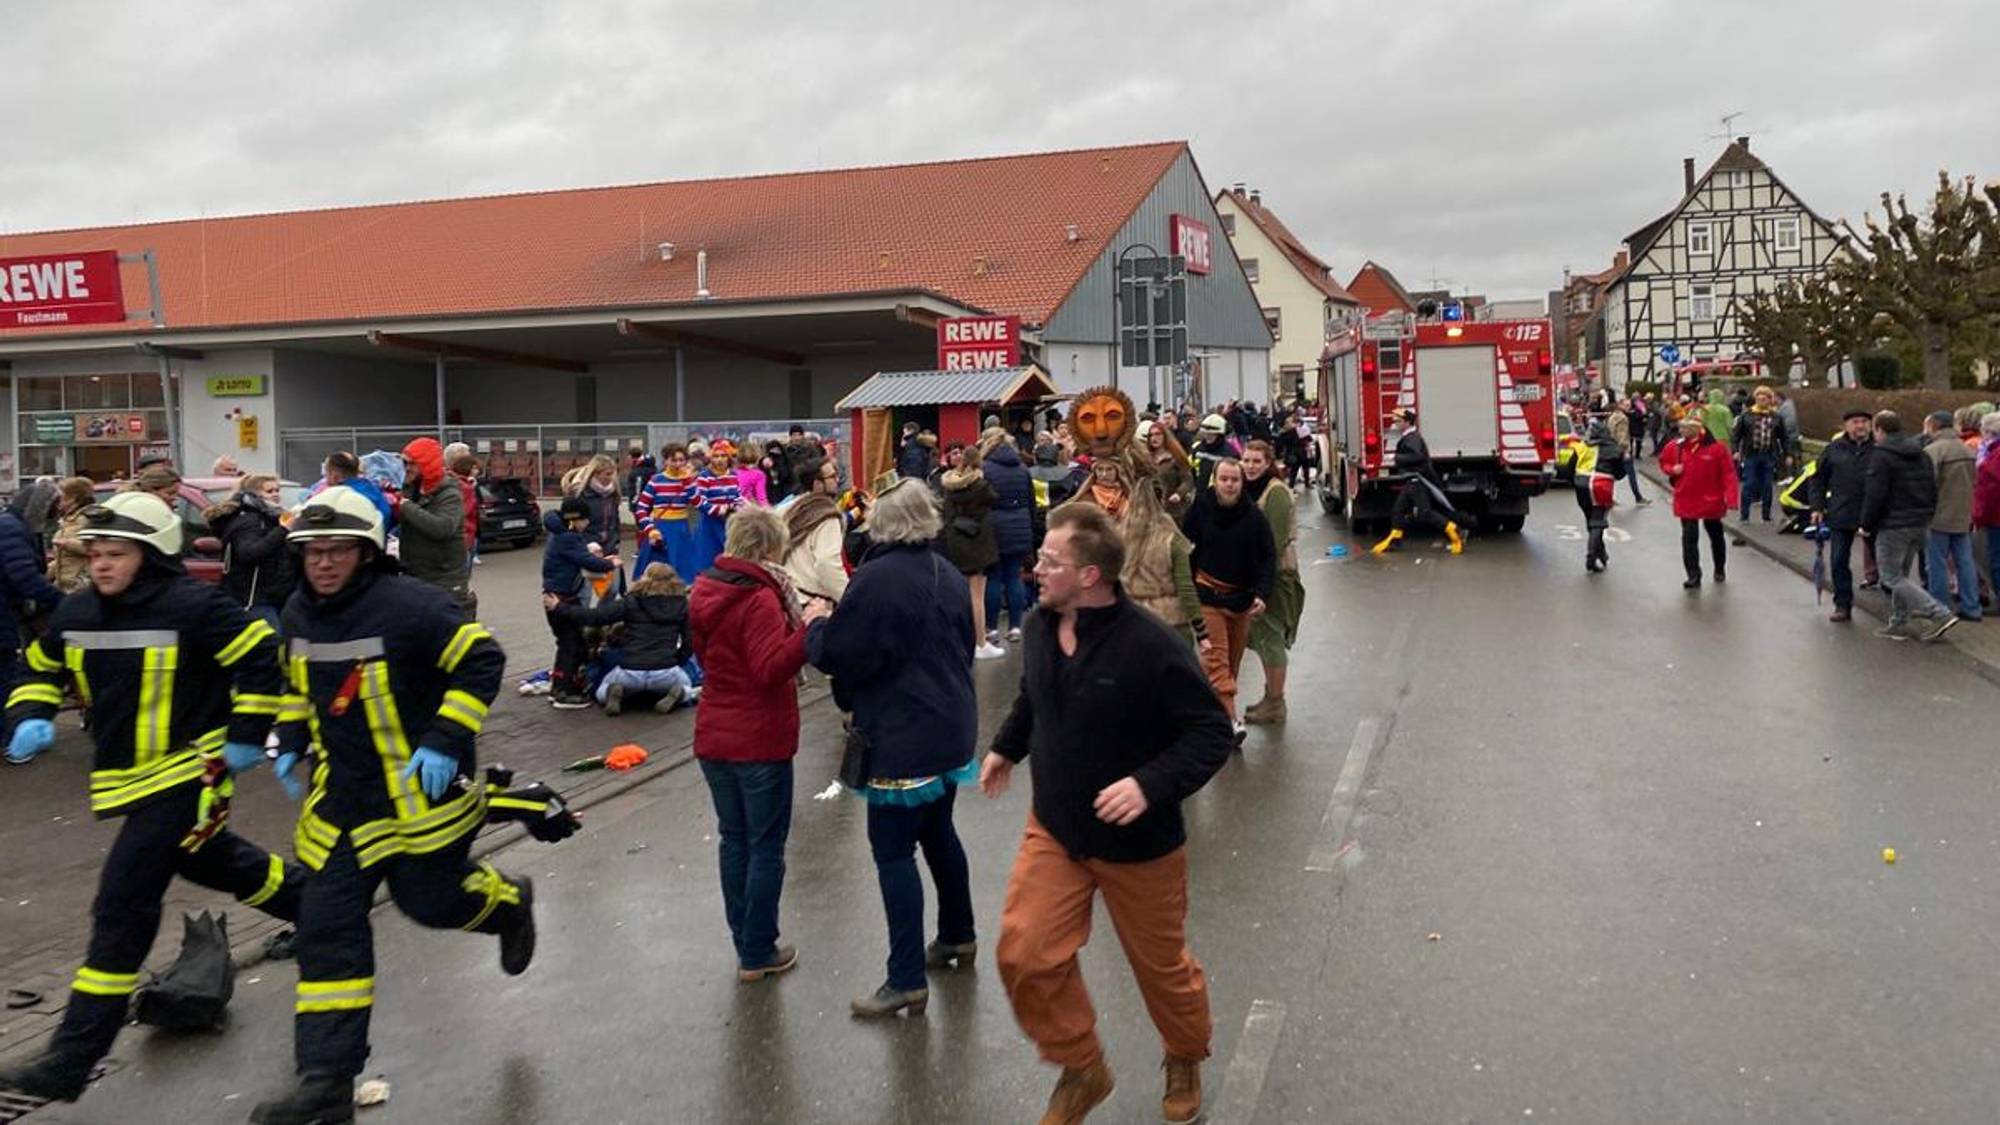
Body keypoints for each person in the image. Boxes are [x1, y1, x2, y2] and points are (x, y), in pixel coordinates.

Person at [0, 491, 302, 1106]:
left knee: (122, 904)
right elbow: (38, 666)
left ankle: (72, 1057)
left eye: (116, 554)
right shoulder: (77, 612)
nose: (102, 565)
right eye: (95, 553)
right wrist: (29, 712)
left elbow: (260, 664)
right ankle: (322, 911)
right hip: (128, 781)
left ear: (151, 555)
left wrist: (246, 737)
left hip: (193, 770)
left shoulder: (195, 606)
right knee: (213, 861)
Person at [248, 486, 530, 1123]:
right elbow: (298, 688)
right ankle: (325, 1083)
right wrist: (290, 740)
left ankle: (509, 905)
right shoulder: (297, 613)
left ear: (366, 552)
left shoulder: (414, 607)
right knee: (326, 934)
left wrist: (444, 739)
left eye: (337, 550)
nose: (323, 563)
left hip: (420, 799)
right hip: (342, 804)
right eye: (312, 551)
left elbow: (482, 662)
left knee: (429, 903)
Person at [983, 503, 1233, 1125]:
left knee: (1162, 971)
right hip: (1057, 828)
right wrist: (1006, 747)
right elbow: (1034, 695)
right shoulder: (1042, 625)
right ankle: (1082, 1066)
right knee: (1025, 952)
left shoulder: (1150, 645)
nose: (1036, 567)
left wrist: (1150, 785)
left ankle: (1183, 1055)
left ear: (1090, 575)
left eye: (1051, 560)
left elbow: (1210, 732)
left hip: (1139, 844)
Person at [804, 481, 978, 1018]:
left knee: (893, 852)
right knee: (938, 832)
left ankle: (905, 977)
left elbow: (842, 654)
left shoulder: (877, 579)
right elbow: (967, 642)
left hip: (905, 732)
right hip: (950, 722)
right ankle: (957, 935)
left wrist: (815, 625)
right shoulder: (944, 570)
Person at [689, 507, 818, 983]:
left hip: (714, 733)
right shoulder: (760, 598)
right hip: (759, 736)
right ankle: (758, 948)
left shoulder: (706, 587)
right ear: (769, 550)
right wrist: (809, 629)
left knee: (733, 840)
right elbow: (768, 668)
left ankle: (744, 939)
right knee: (765, 846)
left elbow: (705, 656)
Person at [1182, 458, 1275, 737]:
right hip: (1208, 594)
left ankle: (1211, 716)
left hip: (1242, 600)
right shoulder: (1200, 509)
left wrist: (1261, 592)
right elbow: (1184, 549)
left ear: (1241, 482)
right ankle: (1233, 724)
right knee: (1218, 660)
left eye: (1234, 480)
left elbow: (1268, 556)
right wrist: (1188, 588)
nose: (1229, 485)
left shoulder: (1254, 516)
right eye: (1224, 479)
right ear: (1215, 481)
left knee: (1230, 666)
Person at [542, 563, 694, 715]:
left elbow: (594, 617)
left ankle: (612, 693)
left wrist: (560, 607)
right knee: (689, 688)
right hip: (665, 670)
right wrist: (677, 660)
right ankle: (679, 694)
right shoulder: (681, 605)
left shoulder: (631, 602)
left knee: (602, 689)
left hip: (631, 670)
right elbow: (689, 641)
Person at [1861, 411, 1957, 641]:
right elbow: (1932, 487)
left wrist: (1866, 524)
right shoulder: (1920, 454)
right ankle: (1899, 621)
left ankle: (1939, 613)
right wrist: (1928, 513)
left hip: (1893, 524)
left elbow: (1875, 495)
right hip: (1919, 522)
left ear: (1879, 430)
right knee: (1902, 574)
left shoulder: (1881, 456)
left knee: (1891, 577)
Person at [1240, 442, 1302, 724]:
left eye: (1256, 461)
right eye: (1246, 460)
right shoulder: (1249, 489)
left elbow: (1273, 544)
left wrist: (1258, 583)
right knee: (1262, 639)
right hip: (1255, 573)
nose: (1250, 466)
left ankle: (1276, 702)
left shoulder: (1275, 493)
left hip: (1275, 576)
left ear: (1268, 463)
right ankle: (1270, 697)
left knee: (1271, 636)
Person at [542, 497, 621, 709]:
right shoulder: (567, 538)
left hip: (560, 594)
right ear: (575, 519)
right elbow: (586, 560)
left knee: (569, 642)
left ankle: (560, 684)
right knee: (571, 643)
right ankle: (564, 692)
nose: (588, 524)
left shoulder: (562, 533)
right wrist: (609, 563)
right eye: (585, 520)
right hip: (561, 597)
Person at [0, 495, 65, 739]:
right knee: (5, 672)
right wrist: (62, 602)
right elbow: (24, 576)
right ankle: (8, 736)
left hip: (8, 610)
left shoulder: (15, 525)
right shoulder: (11, 529)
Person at [1808, 411, 1877, 623]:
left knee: (1885, 562)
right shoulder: (1833, 449)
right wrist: (1817, 507)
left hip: (1874, 512)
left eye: (1865, 422)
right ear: (1846, 426)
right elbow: (1817, 480)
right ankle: (1843, 604)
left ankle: (1896, 607)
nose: (1860, 426)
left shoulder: (1880, 449)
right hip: (1842, 511)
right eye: (1855, 422)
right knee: (1838, 560)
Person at [938, 441, 1004, 659]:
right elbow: (994, 500)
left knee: (960, 595)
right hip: (977, 544)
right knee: (977, 596)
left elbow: (946, 516)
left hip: (956, 542)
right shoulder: (981, 486)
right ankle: (980, 643)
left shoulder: (949, 485)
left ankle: (962, 640)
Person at [207, 473, 299, 624]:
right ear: (254, 495)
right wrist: (283, 530)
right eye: (269, 491)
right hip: (254, 600)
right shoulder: (250, 520)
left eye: (277, 490)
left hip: (277, 597)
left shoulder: (272, 517)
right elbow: (250, 553)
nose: (276, 495)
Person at [1373, 409, 1465, 555]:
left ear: (1407, 422)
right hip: (1412, 480)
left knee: (1425, 513)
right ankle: (1395, 540)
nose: (1395, 423)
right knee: (1398, 509)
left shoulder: (1412, 438)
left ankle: (1455, 531)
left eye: (1398, 421)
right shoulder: (1409, 437)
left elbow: (1417, 457)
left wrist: (1396, 458)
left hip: (1417, 480)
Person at [1661, 415, 1737, 589]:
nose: (1681, 431)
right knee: (1689, 538)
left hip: (1711, 499)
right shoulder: (1675, 447)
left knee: (1715, 534)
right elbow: (1664, 462)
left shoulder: (1717, 449)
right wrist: (1672, 469)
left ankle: (1719, 568)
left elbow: (1728, 474)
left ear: (1697, 429)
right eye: (1681, 427)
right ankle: (1693, 575)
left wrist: (1731, 498)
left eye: (1685, 428)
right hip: (1686, 497)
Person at [1922, 410, 1982, 622]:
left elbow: (1927, 486)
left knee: (1936, 562)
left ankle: (1940, 608)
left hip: (1939, 515)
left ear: (1934, 426)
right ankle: (1972, 606)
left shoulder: (1933, 451)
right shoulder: (1968, 450)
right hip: (1963, 514)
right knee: (1965, 562)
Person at [983, 431, 1035, 644]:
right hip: (1020, 525)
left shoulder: (986, 468)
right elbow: (1031, 502)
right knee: (1014, 576)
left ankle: (992, 628)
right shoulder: (1023, 469)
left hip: (995, 527)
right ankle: (1015, 627)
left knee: (994, 578)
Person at [783, 456, 850, 604]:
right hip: (815, 604)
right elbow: (827, 564)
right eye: (832, 477)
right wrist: (849, 600)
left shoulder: (789, 508)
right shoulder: (827, 517)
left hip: (789, 598)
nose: (837, 480)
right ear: (817, 484)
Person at [633, 443, 701, 580]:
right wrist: (650, 529)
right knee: (655, 574)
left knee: (685, 573)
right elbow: (641, 508)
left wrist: (688, 482)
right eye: (673, 460)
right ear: (666, 461)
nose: (678, 463)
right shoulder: (656, 481)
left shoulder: (689, 481)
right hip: (660, 529)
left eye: (681, 460)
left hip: (682, 530)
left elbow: (698, 503)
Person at [1731, 386, 1791, 522]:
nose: (1761, 401)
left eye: (1764, 398)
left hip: (1769, 455)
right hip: (1751, 454)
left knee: (1767, 485)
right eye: (1759, 398)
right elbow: (1736, 436)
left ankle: (1766, 515)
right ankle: (1744, 515)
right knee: (1749, 483)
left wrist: (1788, 454)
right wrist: (1735, 451)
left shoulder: (1776, 417)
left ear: (1770, 400)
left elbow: (1784, 437)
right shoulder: (1746, 416)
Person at [690, 440, 744, 576]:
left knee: (730, 557)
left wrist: (736, 507)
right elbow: (700, 501)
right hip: (710, 523)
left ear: (729, 458)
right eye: (716, 456)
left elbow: (738, 496)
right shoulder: (704, 476)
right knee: (707, 558)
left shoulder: (733, 475)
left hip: (729, 523)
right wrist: (717, 509)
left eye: (723, 456)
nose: (720, 460)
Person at [564, 453, 625, 566]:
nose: (611, 478)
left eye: (612, 474)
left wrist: (615, 542)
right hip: (587, 550)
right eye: (607, 474)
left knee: (612, 583)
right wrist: (587, 544)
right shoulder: (578, 494)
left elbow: (615, 522)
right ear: (595, 473)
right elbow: (569, 526)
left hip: (610, 550)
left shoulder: (612, 494)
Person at [47, 477, 98, 594]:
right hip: (64, 586)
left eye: (62, 496)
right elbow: (63, 558)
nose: (58, 500)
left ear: (72, 499)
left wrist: (67, 544)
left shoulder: (86, 519)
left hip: (80, 586)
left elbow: (94, 548)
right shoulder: (68, 520)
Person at [319, 451, 394, 530]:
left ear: (334, 476)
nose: (325, 479)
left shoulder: (337, 499)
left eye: (326, 474)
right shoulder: (375, 492)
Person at [1142, 420, 1196, 523]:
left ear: (1165, 436)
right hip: (1152, 510)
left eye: (1158, 434)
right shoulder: (1146, 459)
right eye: (1151, 435)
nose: (1154, 438)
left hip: (1173, 510)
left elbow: (1187, 481)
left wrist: (1179, 494)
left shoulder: (1175, 458)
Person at [1976, 412, 2000, 606]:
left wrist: (1978, 517)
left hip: (1995, 519)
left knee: (1996, 560)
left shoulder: (1992, 460)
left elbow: (1988, 494)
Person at [1190, 414, 1233, 491]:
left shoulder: (1229, 453)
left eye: (1211, 433)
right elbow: (1192, 469)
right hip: (1199, 492)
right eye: (1205, 432)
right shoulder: (1198, 448)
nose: (1207, 435)